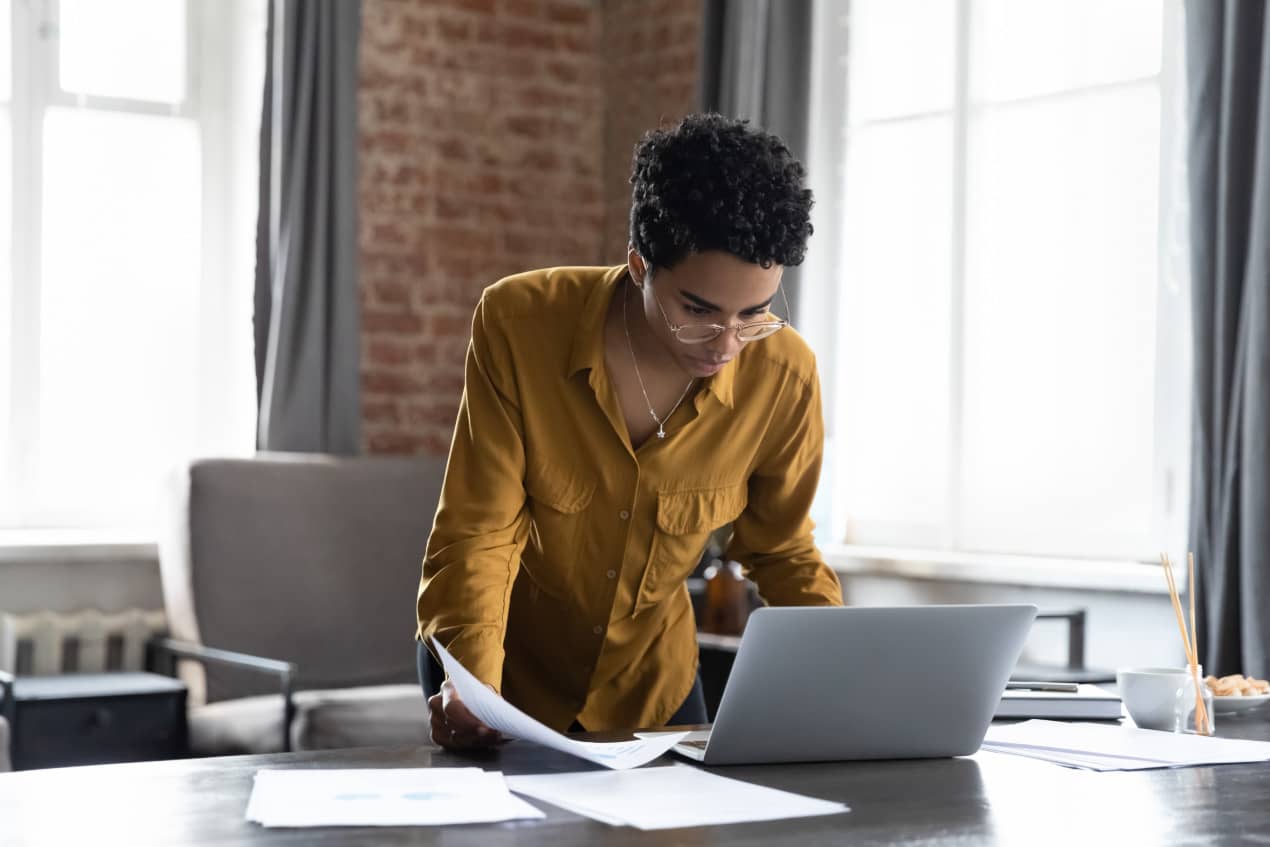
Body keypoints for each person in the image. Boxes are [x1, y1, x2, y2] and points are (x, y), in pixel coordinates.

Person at [417, 112, 843, 750]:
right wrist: (474, 683)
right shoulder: (519, 322)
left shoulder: (785, 374)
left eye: (753, 314)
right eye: (697, 311)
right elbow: (481, 531)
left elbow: (781, 550)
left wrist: (849, 674)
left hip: (651, 683)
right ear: (641, 265)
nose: (726, 344)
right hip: (497, 670)